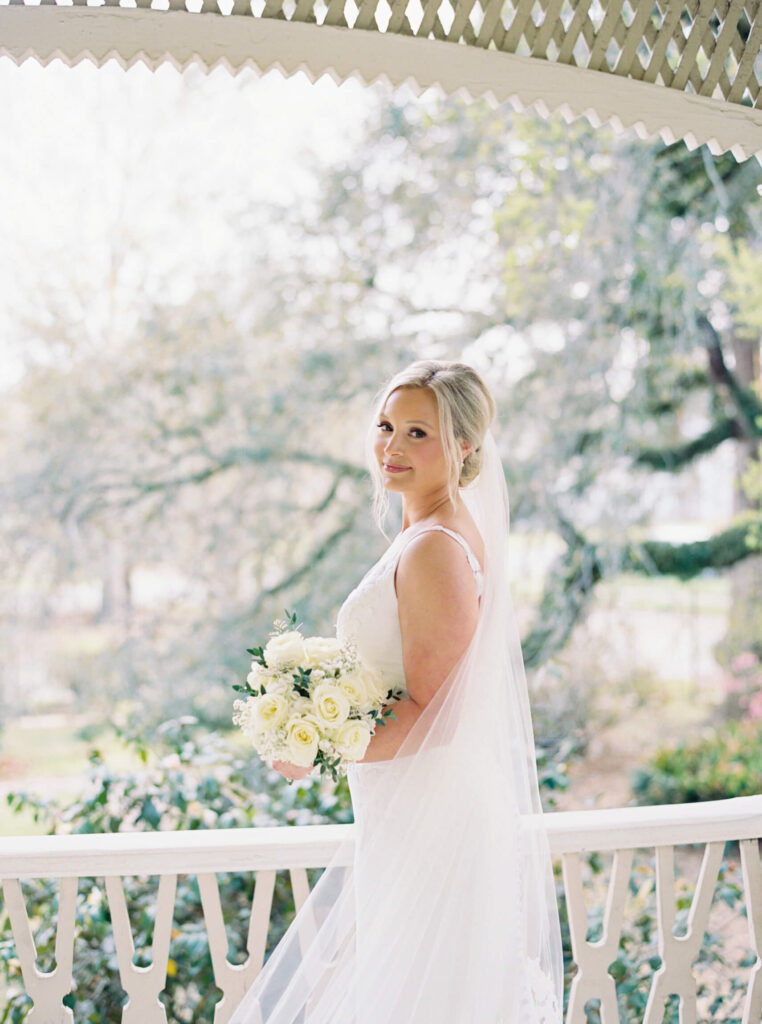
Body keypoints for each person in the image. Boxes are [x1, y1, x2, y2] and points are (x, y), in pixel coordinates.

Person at [230, 360, 563, 1024]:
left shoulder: (436, 547)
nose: (392, 447)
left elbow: (437, 713)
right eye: (386, 426)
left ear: (463, 446)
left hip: (433, 822)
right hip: (411, 814)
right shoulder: (432, 532)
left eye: (419, 433)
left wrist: (317, 743)